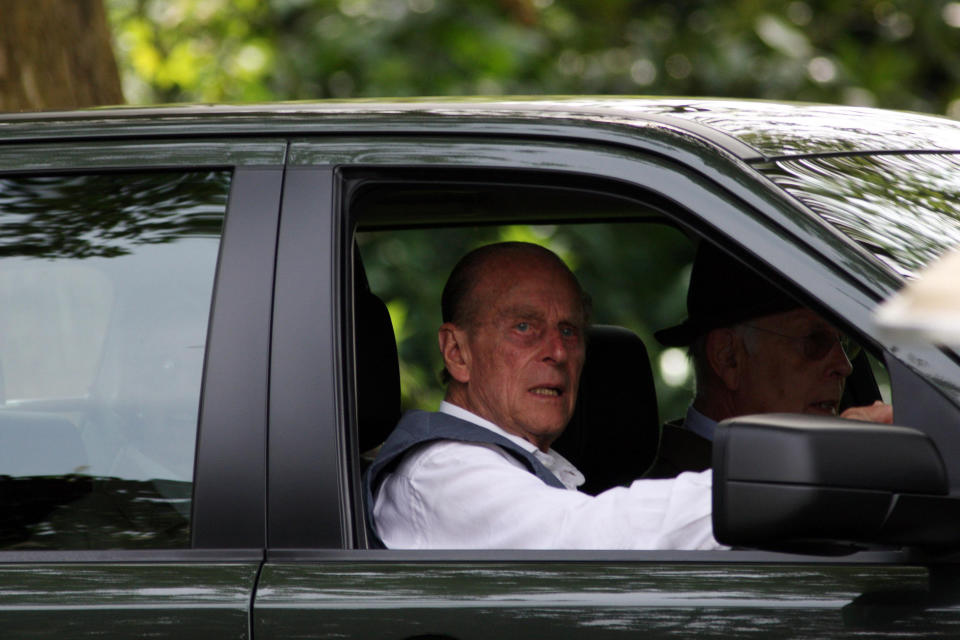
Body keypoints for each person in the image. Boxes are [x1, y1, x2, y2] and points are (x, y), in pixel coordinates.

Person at [364, 242, 722, 550]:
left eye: (569, 331)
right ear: (458, 353)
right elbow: (590, 544)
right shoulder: (444, 473)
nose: (559, 352)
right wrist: (743, 493)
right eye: (524, 327)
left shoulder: (516, 467)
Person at [645, 243, 893, 478]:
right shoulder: (677, 502)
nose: (844, 365)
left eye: (846, 343)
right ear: (728, 357)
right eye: (813, 340)